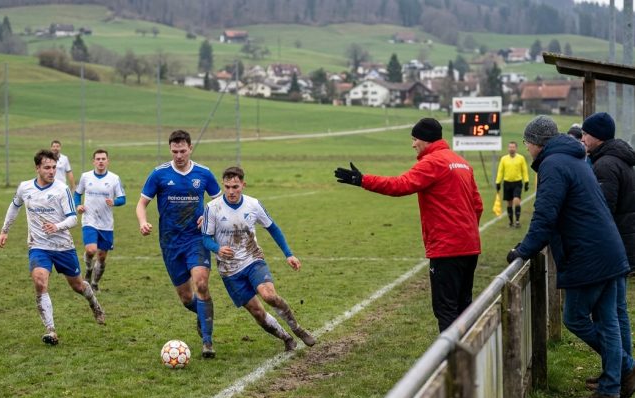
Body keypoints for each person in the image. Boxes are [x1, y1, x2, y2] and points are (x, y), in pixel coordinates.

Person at [506, 115, 635, 398]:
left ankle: (625, 366)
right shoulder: (574, 158)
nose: (527, 149)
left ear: (537, 143)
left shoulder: (553, 164)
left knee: (575, 317)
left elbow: (545, 215)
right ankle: (611, 386)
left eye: (527, 143)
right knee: (608, 320)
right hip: (608, 249)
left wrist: (523, 250)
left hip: (589, 253)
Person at [335, 117, 483, 332]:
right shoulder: (463, 163)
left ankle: (454, 362)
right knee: (464, 306)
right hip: (470, 246)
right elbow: (477, 205)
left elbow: (400, 185)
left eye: (415, 139)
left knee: (446, 309)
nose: (413, 144)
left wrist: (362, 180)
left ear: (426, 140)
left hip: (447, 248)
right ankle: (471, 359)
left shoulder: (433, 162)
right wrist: (465, 232)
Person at [0, 149, 106, 346]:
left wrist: (57, 226)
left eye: (54, 167)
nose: (52, 171)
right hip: (38, 246)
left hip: (63, 246)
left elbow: (73, 218)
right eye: (47, 167)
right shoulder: (25, 188)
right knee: (40, 282)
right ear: (37, 168)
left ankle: (94, 304)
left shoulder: (61, 189)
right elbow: (15, 206)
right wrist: (5, 231)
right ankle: (51, 330)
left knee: (78, 286)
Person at [202, 166, 316, 351]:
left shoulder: (253, 204)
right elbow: (205, 238)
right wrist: (217, 248)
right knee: (257, 312)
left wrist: (288, 254)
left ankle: (298, 329)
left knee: (269, 295)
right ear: (223, 185)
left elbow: (273, 228)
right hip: (229, 270)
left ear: (243, 185)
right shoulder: (212, 208)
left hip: (252, 259)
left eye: (235, 187)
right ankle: (286, 338)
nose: (231, 191)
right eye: (227, 187)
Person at [136, 130, 221, 358]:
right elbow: (141, 204)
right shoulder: (159, 174)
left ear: (190, 148)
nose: (179, 155)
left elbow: (219, 202)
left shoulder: (203, 173)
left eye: (183, 151)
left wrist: (210, 215)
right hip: (170, 242)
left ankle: (207, 342)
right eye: (175, 151)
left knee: (201, 284)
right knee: (186, 298)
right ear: (170, 150)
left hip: (197, 238)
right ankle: (204, 313)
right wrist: (143, 222)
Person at [580, 112, 635, 389]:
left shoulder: (605, 166)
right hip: (624, 245)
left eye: (586, 134)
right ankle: (619, 370)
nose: (583, 138)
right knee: (616, 312)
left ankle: (624, 369)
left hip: (613, 248)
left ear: (597, 136)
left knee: (611, 314)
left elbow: (603, 211)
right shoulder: (618, 160)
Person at [73, 149, 126, 292]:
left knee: (101, 257)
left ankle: (95, 283)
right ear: (94, 161)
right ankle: (89, 269)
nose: (101, 161)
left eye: (103, 159)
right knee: (91, 250)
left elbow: (123, 199)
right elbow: (77, 194)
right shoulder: (86, 177)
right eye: (98, 159)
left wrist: (114, 202)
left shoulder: (114, 178)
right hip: (89, 220)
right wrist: (78, 205)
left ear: (108, 161)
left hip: (106, 223)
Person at [495, 141, 529, 228]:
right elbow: (500, 171)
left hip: (517, 183)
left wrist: (526, 181)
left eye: (513, 147)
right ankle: (511, 222)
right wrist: (498, 182)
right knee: (509, 203)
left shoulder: (521, 158)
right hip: (507, 183)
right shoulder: (504, 159)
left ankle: (517, 221)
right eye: (510, 147)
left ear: (516, 148)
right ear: (508, 148)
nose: (511, 149)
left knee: (516, 200)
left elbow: (524, 170)